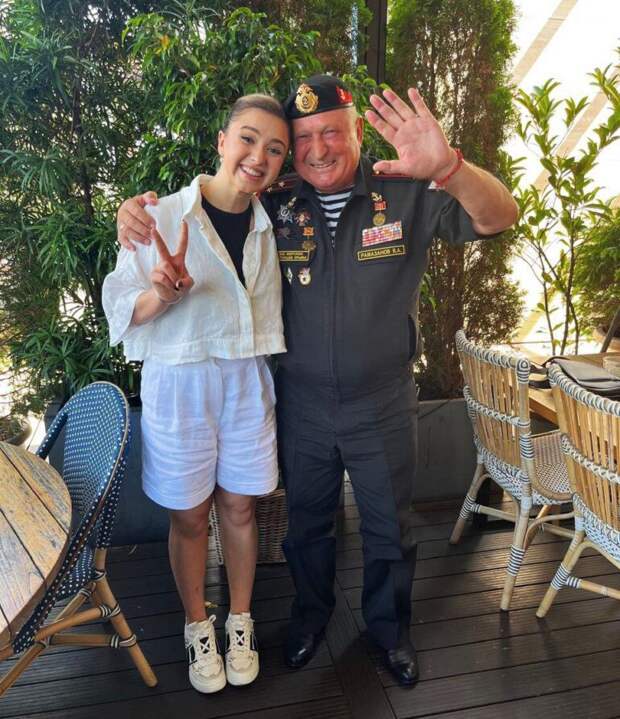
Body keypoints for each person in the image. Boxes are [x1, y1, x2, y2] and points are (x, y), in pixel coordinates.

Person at [116, 75, 518, 686]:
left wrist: (451, 168)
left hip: (382, 402)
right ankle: (310, 617)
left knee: (388, 529)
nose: (318, 149)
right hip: (301, 402)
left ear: (356, 132)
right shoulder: (274, 203)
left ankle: (389, 631)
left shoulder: (405, 189)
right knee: (306, 527)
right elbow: (210, 208)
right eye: (301, 139)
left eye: (331, 132)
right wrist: (133, 213)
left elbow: (499, 217)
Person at [103, 94, 290, 694]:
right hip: (180, 383)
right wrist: (163, 294)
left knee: (240, 508)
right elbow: (120, 306)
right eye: (248, 139)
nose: (258, 156)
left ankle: (240, 620)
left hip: (246, 378)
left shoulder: (274, 220)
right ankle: (195, 624)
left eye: (275, 149)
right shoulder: (160, 216)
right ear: (222, 141)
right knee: (188, 516)